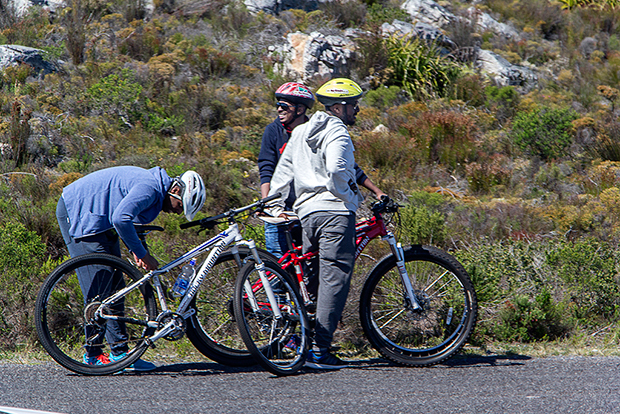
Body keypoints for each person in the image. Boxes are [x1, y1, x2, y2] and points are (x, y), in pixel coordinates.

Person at [267, 78, 378, 369]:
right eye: (354, 105)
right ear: (339, 108)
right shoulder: (338, 130)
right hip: (334, 213)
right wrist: (350, 195)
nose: (357, 111)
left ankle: (306, 343)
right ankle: (320, 352)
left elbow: (283, 174)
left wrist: (275, 206)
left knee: (315, 281)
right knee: (334, 280)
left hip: (307, 215)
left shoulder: (301, 131)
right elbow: (337, 169)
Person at [56, 166, 206, 370]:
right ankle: (93, 354)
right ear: (176, 190)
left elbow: (130, 218)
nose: (178, 212)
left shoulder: (154, 189)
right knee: (99, 286)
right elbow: (121, 218)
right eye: (180, 206)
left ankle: (119, 354)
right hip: (78, 212)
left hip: (100, 220)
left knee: (116, 287)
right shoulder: (151, 188)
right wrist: (143, 254)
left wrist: (139, 249)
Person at [259, 82, 386, 257]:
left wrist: (377, 191)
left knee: (306, 270)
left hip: (305, 210)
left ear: (300, 109)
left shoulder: (316, 130)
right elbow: (267, 169)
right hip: (281, 212)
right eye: (277, 105)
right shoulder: (273, 131)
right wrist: (268, 205)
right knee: (277, 269)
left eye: (283, 106)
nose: (279, 110)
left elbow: (348, 167)